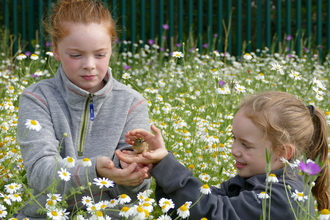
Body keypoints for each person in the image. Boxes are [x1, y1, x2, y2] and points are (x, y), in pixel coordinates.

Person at [17, 0, 150, 218]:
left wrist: (134, 175)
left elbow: (135, 190)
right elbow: (39, 174)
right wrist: (94, 170)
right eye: (76, 55)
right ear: (56, 50)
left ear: (111, 49)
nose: (89, 64)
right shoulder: (37, 98)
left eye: (99, 55)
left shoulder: (132, 103)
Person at [116, 91, 330, 219]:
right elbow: (189, 209)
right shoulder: (256, 180)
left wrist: (166, 165)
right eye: (234, 139)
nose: (234, 150)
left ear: (283, 152)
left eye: (246, 144)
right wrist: (160, 163)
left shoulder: (284, 196)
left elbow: (214, 213)